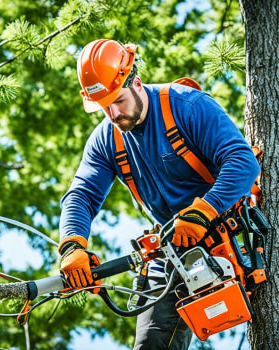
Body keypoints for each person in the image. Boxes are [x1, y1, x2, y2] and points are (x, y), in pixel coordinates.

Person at [57, 39, 260, 349]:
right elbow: (81, 195)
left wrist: (204, 210)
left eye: (119, 101)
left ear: (136, 83)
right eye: (104, 107)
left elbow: (242, 161)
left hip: (228, 227)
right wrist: (72, 245)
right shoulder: (106, 140)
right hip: (173, 249)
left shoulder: (186, 105)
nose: (113, 114)